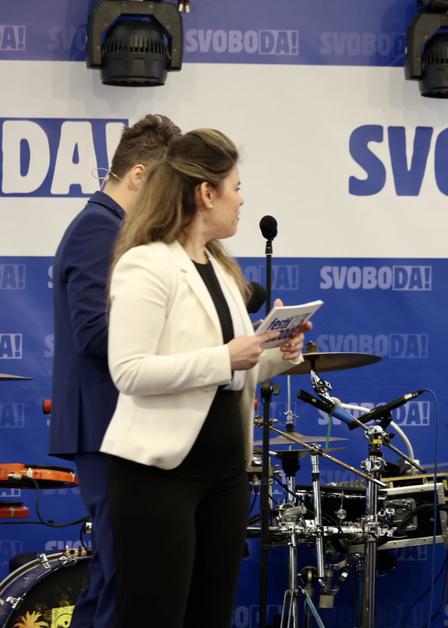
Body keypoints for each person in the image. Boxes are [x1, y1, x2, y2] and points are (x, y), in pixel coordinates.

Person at [101, 128, 310, 628]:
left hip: (225, 476)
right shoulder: (146, 263)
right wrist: (224, 357)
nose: (242, 200)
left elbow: (233, 371)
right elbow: (129, 370)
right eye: (236, 187)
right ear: (206, 194)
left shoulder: (219, 267)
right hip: (158, 477)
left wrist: (278, 354)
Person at [50, 113, 181, 628]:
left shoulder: (118, 231)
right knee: (122, 575)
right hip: (105, 426)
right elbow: (94, 335)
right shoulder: (96, 230)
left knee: (115, 574)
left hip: (119, 427)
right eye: (167, 185)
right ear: (140, 176)